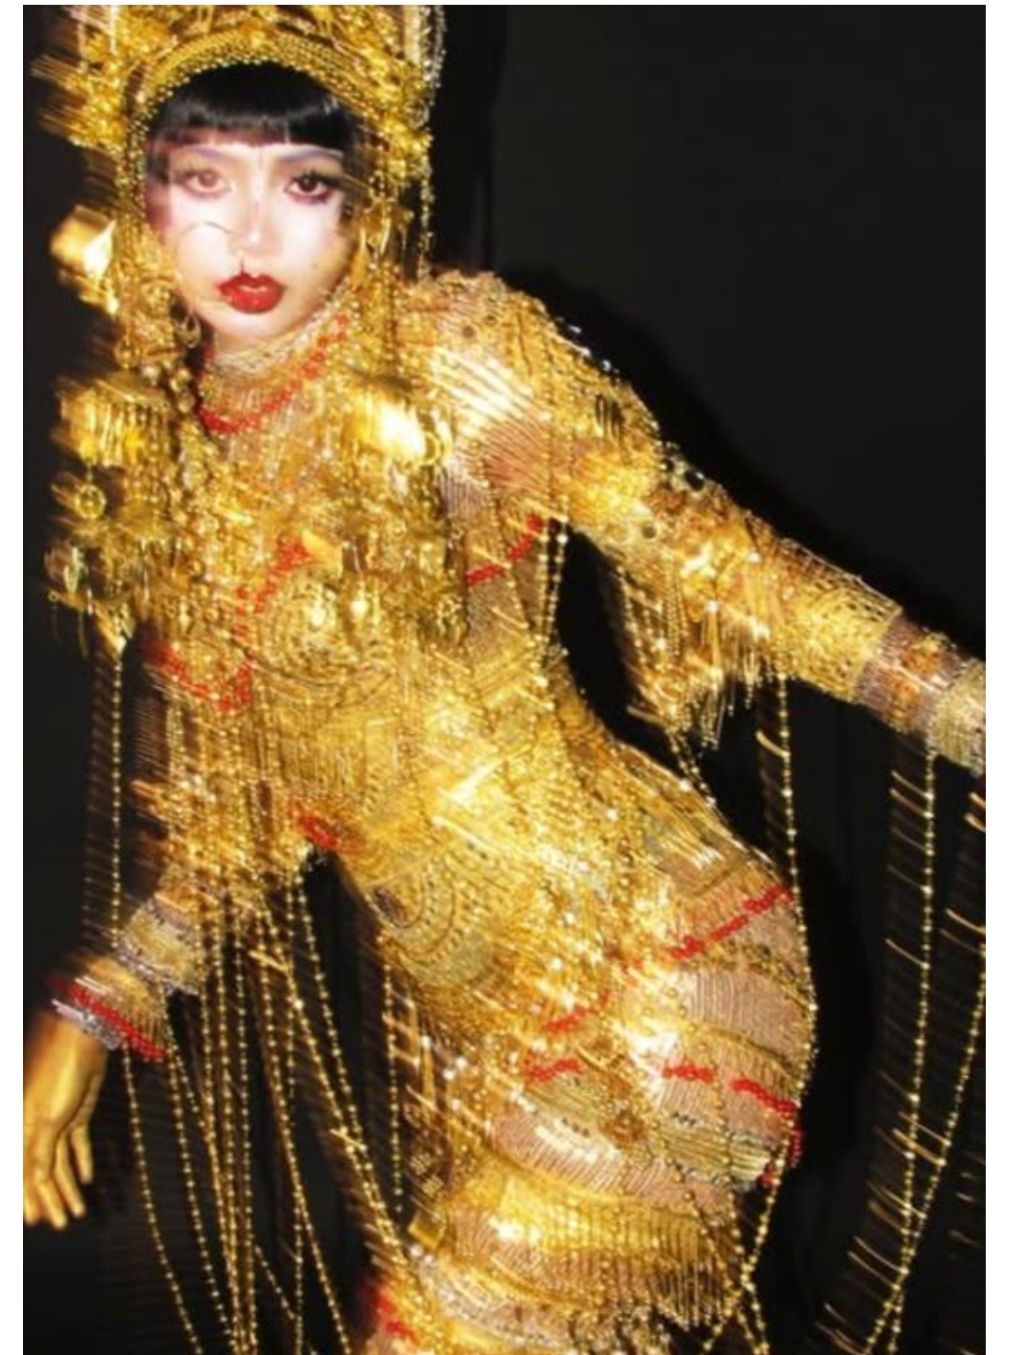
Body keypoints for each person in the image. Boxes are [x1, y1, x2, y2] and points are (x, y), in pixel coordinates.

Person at [25, 8, 984, 1354]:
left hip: (664, 976)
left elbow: (722, 564)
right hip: (480, 1048)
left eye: (304, 184)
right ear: (141, 201)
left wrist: (973, 710)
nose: (248, 236)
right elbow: (244, 820)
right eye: (203, 179)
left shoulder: (454, 360)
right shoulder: (177, 474)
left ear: (370, 199)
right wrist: (92, 1011)